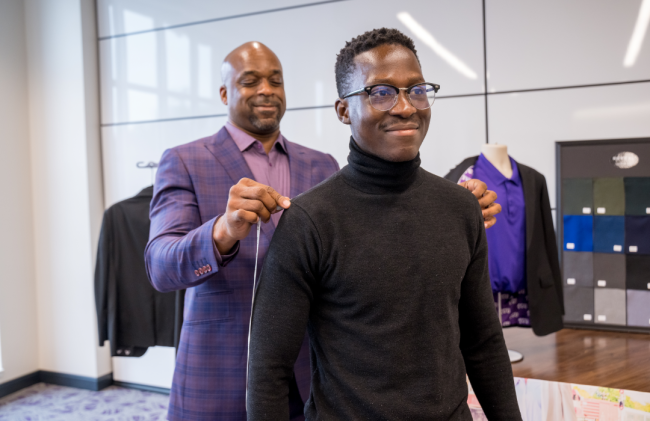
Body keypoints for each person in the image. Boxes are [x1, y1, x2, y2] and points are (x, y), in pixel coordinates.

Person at [145, 41, 502, 420]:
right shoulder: (185, 161)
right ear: (224, 93)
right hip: (222, 371)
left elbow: (366, 237)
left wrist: (445, 215)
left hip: (315, 374)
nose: (266, 89)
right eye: (250, 81)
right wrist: (222, 230)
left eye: (275, 80)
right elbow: (160, 267)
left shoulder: (318, 165)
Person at [246, 29, 521, 420]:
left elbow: (484, 342)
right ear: (344, 111)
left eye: (417, 89)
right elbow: (269, 368)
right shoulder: (310, 221)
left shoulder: (460, 208)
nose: (406, 107)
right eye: (381, 92)